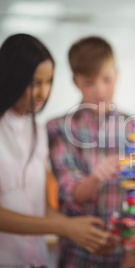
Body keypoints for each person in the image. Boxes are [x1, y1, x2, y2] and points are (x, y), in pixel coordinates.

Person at [0, 34, 110, 268]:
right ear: (12, 78)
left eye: (48, 81)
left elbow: (40, 208)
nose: (43, 92)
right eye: (34, 83)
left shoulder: (38, 132)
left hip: (36, 260)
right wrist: (65, 226)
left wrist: (86, 232)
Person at [47, 36, 135, 267]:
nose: (100, 90)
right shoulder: (58, 128)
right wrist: (96, 177)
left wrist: (130, 257)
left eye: (107, 79)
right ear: (76, 81)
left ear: (116, 74)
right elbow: (72, 194)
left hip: (124, 256)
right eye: (89, 82)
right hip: (77, 256)